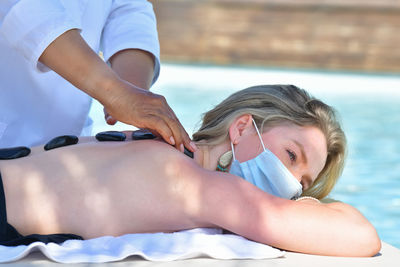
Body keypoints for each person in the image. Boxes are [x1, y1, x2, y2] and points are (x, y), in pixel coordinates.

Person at [0, 85, 381, 256]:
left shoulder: (157, 142)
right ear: (243, 127)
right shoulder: (198, 186)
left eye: (303, 184)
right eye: (291, 155)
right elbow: (362, 237)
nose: (292, 186)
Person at [0, 0, 195, 153]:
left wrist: (135, 93)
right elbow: (24, 8)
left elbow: (129, 11)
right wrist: (116, 93)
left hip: (65, 146)